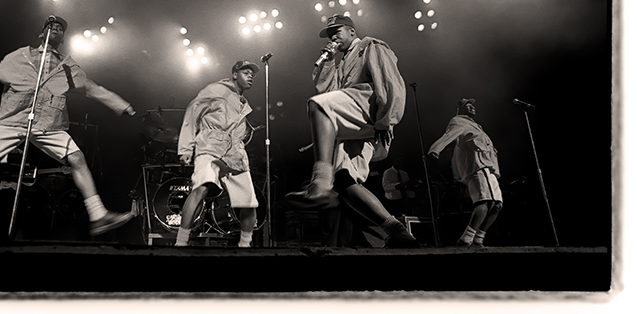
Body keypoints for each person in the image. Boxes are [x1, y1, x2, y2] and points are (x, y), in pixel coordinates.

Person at [0, 16, 136, 243]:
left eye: (59, 28)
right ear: (41, 34)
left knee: (77, 157)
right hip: (11, 121)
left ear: (63, 38)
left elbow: (93, 88)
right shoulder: (19, 57)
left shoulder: (68, 67)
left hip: (48, 124)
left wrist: (121, 105)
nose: (55, 29)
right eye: (50, 26)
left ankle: (98, 216)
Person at [285, 14, 418, 248]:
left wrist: (387, 120)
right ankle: (395, 231)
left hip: (366, 109)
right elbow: (325, 89)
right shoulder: (341, 61)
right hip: (348, 124)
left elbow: (390, 82)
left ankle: (320, 180)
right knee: (344, 183)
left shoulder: (371, 46)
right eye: (330, 34)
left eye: (337, 32)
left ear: (352, 31)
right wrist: (328, 61)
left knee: (317, 105)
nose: (333, 37)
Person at [174, 60, 260, 248]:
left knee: (250, 203)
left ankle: (245, 246)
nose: (251, 76)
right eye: (246, 72)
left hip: (235, 153)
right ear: (234, 74)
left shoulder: (243, 102)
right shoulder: (215, 90)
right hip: (210, 146)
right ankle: (180, 243)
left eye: (252, 74)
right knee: (202, 187)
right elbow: (192, 112)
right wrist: (186, 148)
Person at [428, 98, 503, 247]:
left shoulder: (476, 126)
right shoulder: (458, 121)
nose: (472, 107)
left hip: (489, 168)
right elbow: (450, 134)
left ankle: (478, 238)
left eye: (473, 105)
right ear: (460, 109)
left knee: (497, 205)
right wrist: (435, 149)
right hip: (477, 166)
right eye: (468, 105)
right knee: (485, 201)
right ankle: (466, 239)